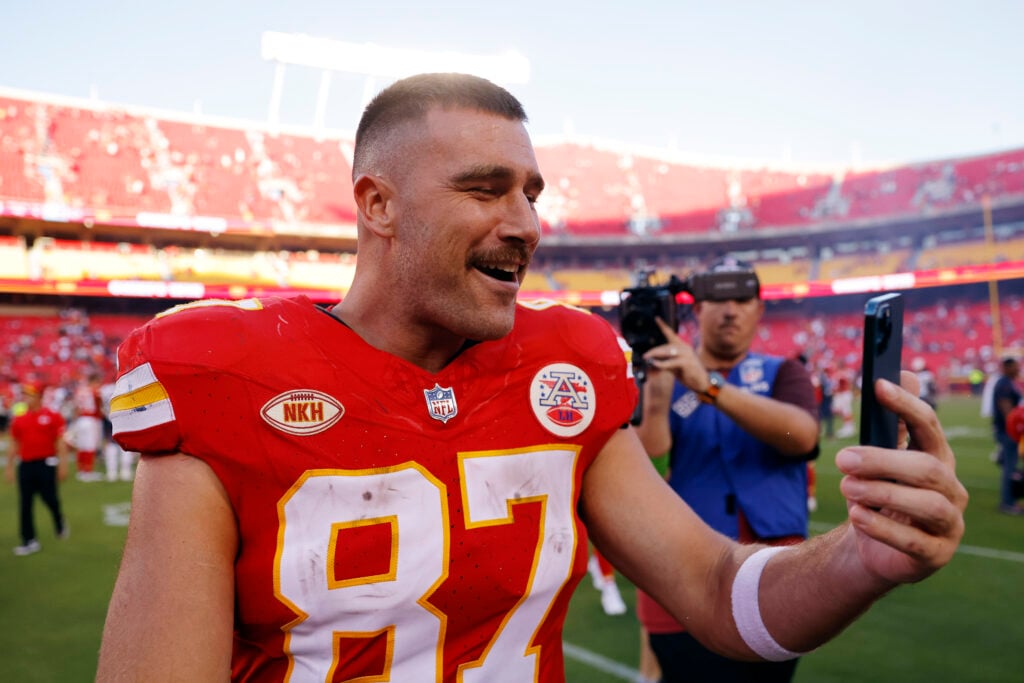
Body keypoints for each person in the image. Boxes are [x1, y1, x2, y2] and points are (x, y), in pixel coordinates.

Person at [96, 73, 967, 682]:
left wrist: (862, 557)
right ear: (377, 204)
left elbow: (713, 588)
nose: (525, 224)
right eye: (485, 189)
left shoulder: (566, 366)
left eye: (532, 192)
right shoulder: (224, 373)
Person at [632, 258, 820, 682]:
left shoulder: (783, 372)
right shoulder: (666, 378)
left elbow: (802, 438)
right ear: (695, 311)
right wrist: (660, 403)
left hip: (773, 574)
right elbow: (646, 468)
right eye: (716, 299)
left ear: (759, 309)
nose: (729, 309)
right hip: (683, 573)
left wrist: (709, 386)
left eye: (741, 298)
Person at [5, 381, 70, 556]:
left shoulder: (53, 416)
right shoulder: (19, 419)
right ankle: (29, 540)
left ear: (39, 396)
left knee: (50, 499)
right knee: (25, 504)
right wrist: (9, 466)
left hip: (46, 464)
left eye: (30, 394)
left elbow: (60, 442)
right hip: (25, 465)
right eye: (25, 394)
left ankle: (58, 520)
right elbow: (14, 444)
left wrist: (63, 465)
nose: (26, 398)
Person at [991, 355, 1023, 515]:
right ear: (1007, 367)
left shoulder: (1008, 382)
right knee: (1010, 467)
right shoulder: (1004, 384)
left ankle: (1009, 500)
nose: (1019, 368)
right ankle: (1008, 503)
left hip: (1006, 431)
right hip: (1007, 432)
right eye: (1016, 366)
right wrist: (1017, 428)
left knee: (1008, 465)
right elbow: (1007, 411)